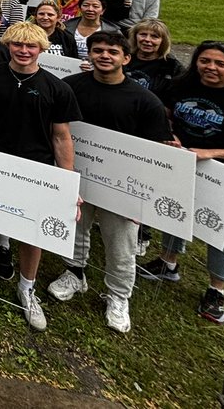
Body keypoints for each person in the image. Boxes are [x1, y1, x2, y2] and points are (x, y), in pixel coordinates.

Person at [137, 41, 224, 325]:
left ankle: (217, 290)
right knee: (174, 212)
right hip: (182, 163)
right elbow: (164, 114)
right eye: (205, 61)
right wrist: (170, 134)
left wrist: (212, 152)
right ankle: (168, 262)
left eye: (220, 63)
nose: (211, 67)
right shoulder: (180, 86)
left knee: (219, 232)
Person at [0, 21, 83, 332]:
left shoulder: (58, 89)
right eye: (18, 45)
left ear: (41, 49)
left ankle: (27, 287)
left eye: (31, 47)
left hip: (36, 168)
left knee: (33, 232)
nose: (24, 51)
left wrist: (67, 182)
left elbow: (61, 137)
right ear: (9, 46)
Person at [49, 32, 171, 333]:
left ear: (125, 58)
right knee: (76, 227)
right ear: (88, 54)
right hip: (77, 172)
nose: (104, 56)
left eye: (112, 52)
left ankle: (118, 295)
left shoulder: (145, 101)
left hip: (122, 186)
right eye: (98, 50)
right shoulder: (71, 87)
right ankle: (75, 273)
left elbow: (154, 152)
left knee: (121, 243)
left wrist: (141, 196)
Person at [127, 19, 184, 98]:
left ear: (163, 41)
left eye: (154, 36)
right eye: (143, 34)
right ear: (135, 37)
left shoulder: (172, 66)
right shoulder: (124, 59)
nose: (147, 39)